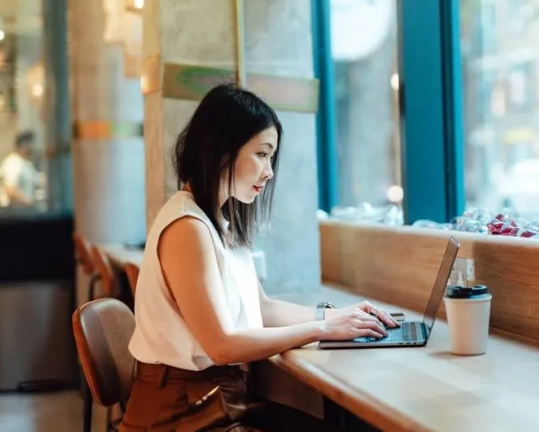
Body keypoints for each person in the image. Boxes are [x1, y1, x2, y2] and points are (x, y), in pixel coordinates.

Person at [122, 84, 398, 432]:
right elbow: (221, 345)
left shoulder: (216, 221)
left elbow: (262, 308)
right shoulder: (187, 227)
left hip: (217, 399)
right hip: (182, 413)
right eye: (262, 154)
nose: (269, 172)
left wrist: (337, 316)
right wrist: (323, 328)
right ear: (223, 149)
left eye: (271, 157)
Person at [0, 130, 39, 207]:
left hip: (26, 211)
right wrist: (27, 202)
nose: (32, 148)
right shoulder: (12, 163)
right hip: (15, 213)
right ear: (23, 145)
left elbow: (37, 180)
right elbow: (10, 190)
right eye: (30, 145)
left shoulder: (26, 163)